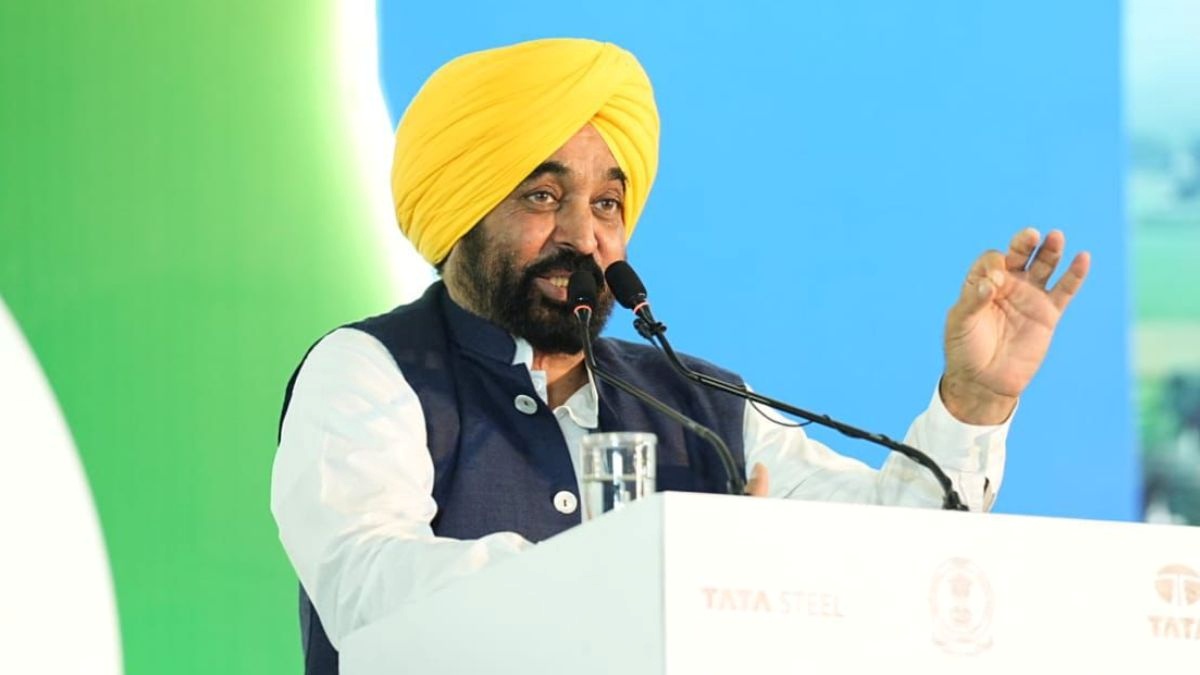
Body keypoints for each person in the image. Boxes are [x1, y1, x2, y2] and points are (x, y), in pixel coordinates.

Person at [270, 38, 1089, 673]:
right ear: (459, 211)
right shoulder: (372, 370)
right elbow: (368, 586)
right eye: (543, 195)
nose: (583, 235)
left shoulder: (698, 402)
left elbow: (892, 556)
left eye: (607, 203)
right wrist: (650, 571)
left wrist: (974, 400)